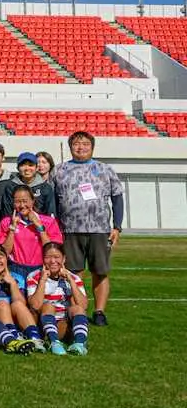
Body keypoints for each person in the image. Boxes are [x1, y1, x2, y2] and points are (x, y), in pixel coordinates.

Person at [53, 131, 123, 326]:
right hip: (69, 230)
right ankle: (78, 309)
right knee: (73, 272)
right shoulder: (59, 170)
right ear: (70, 147)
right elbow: (53, 201)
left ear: (92, 147)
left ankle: (99, 311)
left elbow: (117, 197)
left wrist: (117, 226)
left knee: (100, 271)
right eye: (76, 144)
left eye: (85, 144)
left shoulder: (104, 169)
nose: (81, 147)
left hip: (99, 229)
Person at [27, 241, 90, 355]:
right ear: (43, 259)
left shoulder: (73, 277)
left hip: (65, 323)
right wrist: (43, 280)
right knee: (48, 306)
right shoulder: (34, 276)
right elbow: (35, 305)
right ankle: (54, 342)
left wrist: (70, 280)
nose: (52, 261)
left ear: (64, 259)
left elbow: (83, 306)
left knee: (77, 308)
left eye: (57, 257)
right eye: (48, 257)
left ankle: (80, 344)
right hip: (43, 323)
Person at [0, 185, 63, 285]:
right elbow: (3, 252)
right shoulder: (6, 222)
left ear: (33, 201)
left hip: (41, 269)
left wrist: (39, 225)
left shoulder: (48, 222)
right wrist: (12, 228)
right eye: (17, 202)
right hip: (16, 269)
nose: (22, 205)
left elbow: (52, 251)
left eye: (25, 201)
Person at [0, 244, 42, 354]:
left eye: (0, 257)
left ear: (6, 259)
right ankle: (13, 338)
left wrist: (12, 283)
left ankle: (35, 339)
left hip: (12, 319)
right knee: (3, 304)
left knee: (17, 304)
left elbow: (22, 305)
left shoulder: (17, 277)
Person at [0, 151, 57, 220]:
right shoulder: (10, 187)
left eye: (30, 165)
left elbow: (50, 214)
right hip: (16, 225)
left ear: (36, 168)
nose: (27, 169)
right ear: (17, 168)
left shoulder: (45, 187)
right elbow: (7, 213)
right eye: (23, 165)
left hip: (40, 225)